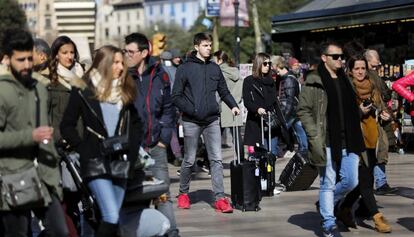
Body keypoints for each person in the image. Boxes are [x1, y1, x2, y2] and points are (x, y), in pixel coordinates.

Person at [60, 45, 143, 237]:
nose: (120, 67)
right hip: (95, 162)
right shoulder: (83, 90)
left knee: (113, 218)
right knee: (111, 215)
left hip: (121, 161)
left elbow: (137, 124)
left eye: (122, 63)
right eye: (115, 63)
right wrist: (83, 149)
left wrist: (131, 151)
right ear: (104, 64)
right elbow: (67, 125)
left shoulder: (124, 90)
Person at [0, 29, 68, 237]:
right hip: (11, 177)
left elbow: (45, 133)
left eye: (30, 58)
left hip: (44, 176)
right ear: (7, 59)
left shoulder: (39, 88)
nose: (27, 65)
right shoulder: (2, 91)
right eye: (21, 60)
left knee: (59, 231)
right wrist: (30, 136)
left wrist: (54, 178)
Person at [297, 42, 365, 237]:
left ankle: (325, 202)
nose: (340, 60)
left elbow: (349, 109)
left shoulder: (346, 79)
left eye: (341, 56)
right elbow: (303, 110)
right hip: (325, 139)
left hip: (350, 139)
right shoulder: (314, 79)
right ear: (325, 58)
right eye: (335, 57)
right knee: (327, 182)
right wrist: (313, 134)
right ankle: (328, 223)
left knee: (351, 181)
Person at [172, 32, 240, 213]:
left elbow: (224, 91)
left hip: (211, 120)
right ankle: (183, 194)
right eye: (205, 45)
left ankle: (220, 198)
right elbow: (176, 96)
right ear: (196, 47)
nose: (209, 48)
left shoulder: (214, 68)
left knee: (216, 159)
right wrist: (191, 109)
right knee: (189, 160)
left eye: (210, 45)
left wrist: (233, 106)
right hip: (191, 121)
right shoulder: (184, 68)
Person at [124, 32, 179, 237]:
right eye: (125, 51)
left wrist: (164, 138)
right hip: (132, 150)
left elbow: (168, 107)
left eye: (131, 51)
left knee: (163, 195)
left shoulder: (160, 74)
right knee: (136, 197)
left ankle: (172, 233)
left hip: (156, 146)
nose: (127, 55)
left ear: (144, 52)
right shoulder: (123, 76)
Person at [338, 55, 392, 233]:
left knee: (362, 183)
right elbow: (342, 117)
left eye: (363, 68)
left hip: (373, 140)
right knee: (366, 183)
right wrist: (358, 112)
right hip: (355, 141)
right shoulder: (346, 89)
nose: (360, 72)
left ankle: (344, 208)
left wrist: (385, 115)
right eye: (357, 69)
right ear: (350, 71)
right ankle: (378, 219)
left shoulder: (373, 87)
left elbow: (382, 108)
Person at [364, 49, 398, 195]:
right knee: (377, 151)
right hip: (372, 119)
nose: (379, 64)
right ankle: (379, 182)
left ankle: (380, 181)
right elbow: (381, 94)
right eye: (376, 62)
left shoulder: (372, 76)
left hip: (379, 116)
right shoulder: (369, 76)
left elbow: (382, 95)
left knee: (379, 151)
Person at [272, 55, 308, 157]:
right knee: (299, 131)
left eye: (272, 65)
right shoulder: (285, 78)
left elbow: (289, 101)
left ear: (277, 65)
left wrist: (284, 116)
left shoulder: (288, 79)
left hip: (290, 112)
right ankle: (302, 151)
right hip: (292, 112)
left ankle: (301, 151)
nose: (271, 68)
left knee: (278, 130)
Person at [243, 53, 278, 153]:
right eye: (265, 63)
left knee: (271, 154)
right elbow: (247, 101)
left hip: (271, 121)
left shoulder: (271, 81)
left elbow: (274, 100)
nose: (268, 66)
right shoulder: (249, 81)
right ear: (258, 64)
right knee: (257, 155)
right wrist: (257, 109)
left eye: (269, 63)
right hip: (256, 122)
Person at [213, 50, 244, 159]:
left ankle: (209, 162)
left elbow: (218, 92)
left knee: (215, 137)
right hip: (235, 106)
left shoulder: (219, 72)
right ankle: (241, 160)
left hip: (223, 106)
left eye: (214, 59)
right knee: (237, 136)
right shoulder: (235, 70)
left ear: (220, 60)